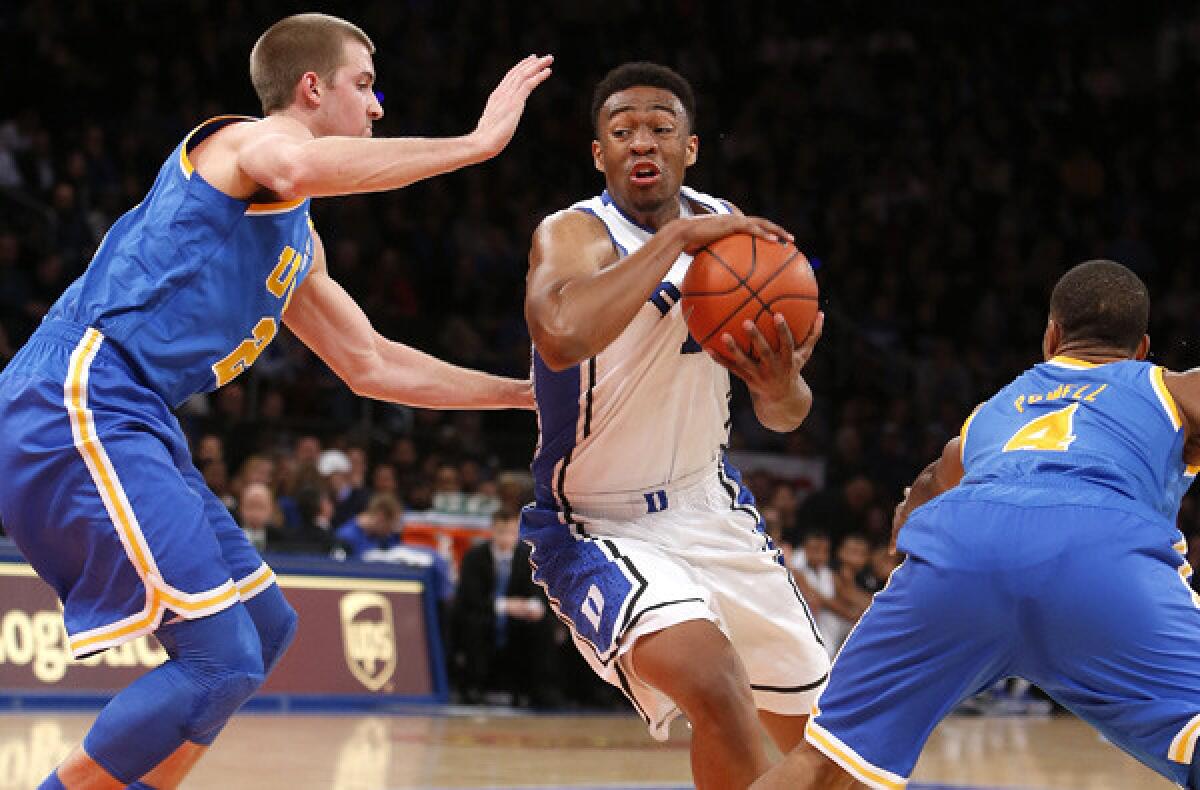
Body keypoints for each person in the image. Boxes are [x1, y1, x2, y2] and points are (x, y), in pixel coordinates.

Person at [0, 13, 551, 790]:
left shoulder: (297, 238)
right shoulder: (239, 144)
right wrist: (474, 145)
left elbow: (371, 364)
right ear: (311, 87)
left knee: (263, 629)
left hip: (137, 416)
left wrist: (523, 396)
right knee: (217, 661)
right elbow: (291, 167)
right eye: (366, 86)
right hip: (80, 392)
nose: (377, 107)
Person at [755, 260, 1200, 790]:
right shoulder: (1166, 388)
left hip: (962, 546)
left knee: (824, 768)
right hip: (1100, 553)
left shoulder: (995, 409)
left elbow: (927, 483)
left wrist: (903, 528)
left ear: (1051, 337)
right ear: (1143, 349)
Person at [520, 61, 829, 788]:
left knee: (834, 746)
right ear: (600, 154)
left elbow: (786, 415)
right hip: (596, 522)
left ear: (690, 147)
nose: (641, 143)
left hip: (709, 508)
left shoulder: (735, 239)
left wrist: (780, 385)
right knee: (714, 684)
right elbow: (560, 335)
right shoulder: (573, 234)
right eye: (621, 131)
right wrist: (673, 243)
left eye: (661, 127)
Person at [451, 508, 557, 706]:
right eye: (501, 531)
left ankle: (540, 690)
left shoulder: (528, 557)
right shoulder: (474, 556)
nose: (506, 537)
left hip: (517, 618)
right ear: (492, 531)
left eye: (511, 531)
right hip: (485, 614)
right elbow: (470, 597)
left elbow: (538, 591)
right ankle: (473, 687)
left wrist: (532, 606)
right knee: (474, 623)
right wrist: (505, 606)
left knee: (541, 625)